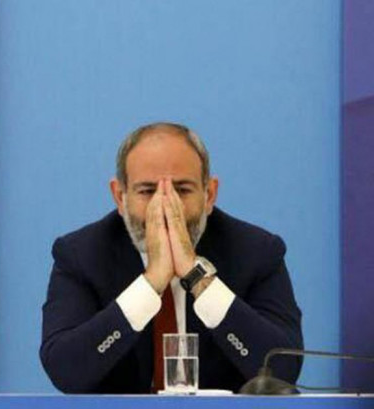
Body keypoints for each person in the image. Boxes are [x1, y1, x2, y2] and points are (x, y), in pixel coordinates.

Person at [40, 122, 302, 393]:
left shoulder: (256, 252)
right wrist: (151, 282)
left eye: (183, 190)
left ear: (209, 195)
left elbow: (283, 370)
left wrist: (196, 276)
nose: (165, 206)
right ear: (120, 197)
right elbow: (65, 371)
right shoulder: (81, 254)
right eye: (147, 191)